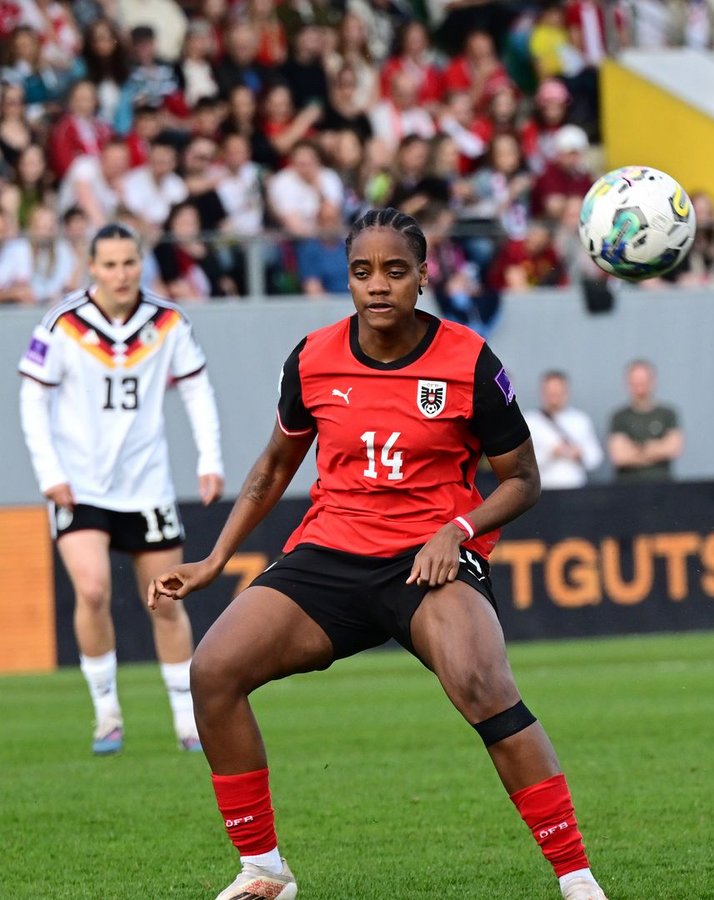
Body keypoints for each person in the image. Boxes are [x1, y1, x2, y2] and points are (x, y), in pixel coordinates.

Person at [146, 208, 609, 900]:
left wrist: (459, 527)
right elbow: (273, 468)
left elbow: (523, 480)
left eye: (396, 270)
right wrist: (216, 559)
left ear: (423, 277)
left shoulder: (471, 362)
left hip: (428, 562)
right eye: (363, 271)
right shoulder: (312, 358)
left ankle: (577, 881)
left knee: (485, 688)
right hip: (330, 556)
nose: (378, 285)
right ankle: (264, 872)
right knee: (212, 669)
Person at [17, 222, 225, 756]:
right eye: (109, 264)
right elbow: (32, 399)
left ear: (141, 264)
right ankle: (107, 714)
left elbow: (197, 389)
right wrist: (50, 473)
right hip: (80, 487)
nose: (121, 273)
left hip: (147, 485)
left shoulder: (167, 322)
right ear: (92, 267)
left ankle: (186, 719)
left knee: (166, 599)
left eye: (129, 262)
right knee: (91, 590)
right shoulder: (64, 324)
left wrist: (209, 458)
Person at [606, 358, 682, 483]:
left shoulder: (667, 414)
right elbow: (619, 456)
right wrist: (654, 448)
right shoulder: (619, 417)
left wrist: (636, 450)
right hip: (627, 487)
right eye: (635, 382)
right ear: (628, 383)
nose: (639, 386)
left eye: (643, 381)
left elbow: (673, 448)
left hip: (662, 485)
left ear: (653, 381)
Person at [527, 370, 604, 490]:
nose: (554, 398)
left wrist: (580, 454)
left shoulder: (580, 420)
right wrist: (551, 453)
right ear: (542, 393)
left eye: (558, 393)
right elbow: (522, 463)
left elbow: (595, 458)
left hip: (575, 487)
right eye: (550, 394)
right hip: (542, 490)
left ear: (566, 392)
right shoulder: (530, 421)